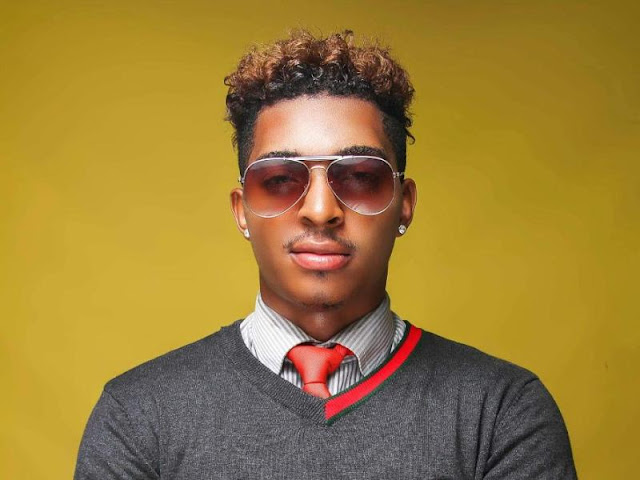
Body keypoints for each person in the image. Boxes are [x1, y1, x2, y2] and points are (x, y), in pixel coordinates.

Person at [74, 30, 577, 479]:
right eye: (279, 179)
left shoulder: (502, 412)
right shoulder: (137, 416)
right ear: (242, 210)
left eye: (360, 176)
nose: (320, 211)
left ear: (404, 203)